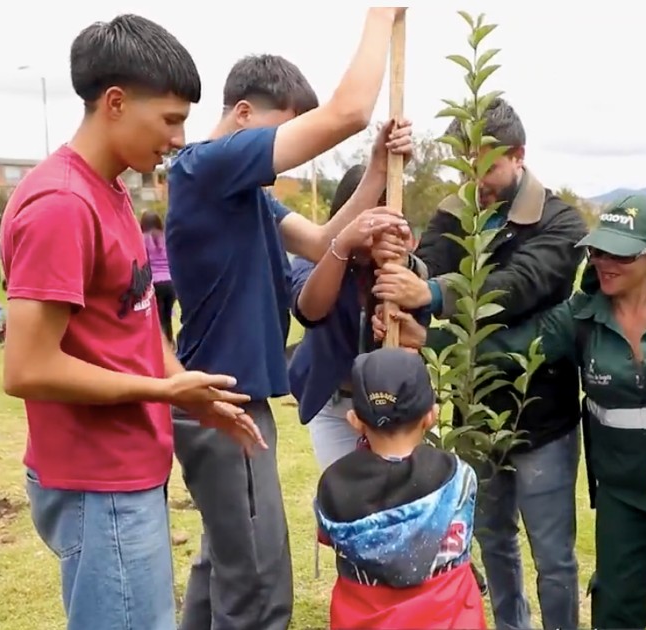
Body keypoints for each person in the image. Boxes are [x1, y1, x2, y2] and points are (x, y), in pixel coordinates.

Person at [0, 15, 263, 630]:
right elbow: (28, 366)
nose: (178, 138)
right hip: (98, 479)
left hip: (128, 468)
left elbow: (136, 322)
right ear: (115, 103)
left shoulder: (111, 190)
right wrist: (164, 391)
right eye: (170, 119)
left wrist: (190, 393)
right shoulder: (62, 204)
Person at [163, 10, 411, 629]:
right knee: (260, 586)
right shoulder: (205, 167)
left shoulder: (244, 193)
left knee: (223, 565)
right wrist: (382, 16)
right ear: (244, 115)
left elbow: (323, 237)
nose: (293, 151)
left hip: (228, 400)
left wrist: (376, 169)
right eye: (286, 131)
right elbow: (348, 113)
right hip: (224, 404)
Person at [386, 195, 646, 629]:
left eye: (619, 253)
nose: (603, 261)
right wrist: (427, 342)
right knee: (616, 609)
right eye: (597, 250)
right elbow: (510, 349)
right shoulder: (581, 315)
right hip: (623, 491)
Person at [372, 96, 589, 630]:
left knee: (554, 558)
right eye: (464, 164)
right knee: (493, 542)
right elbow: (436, 265)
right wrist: (407, 265)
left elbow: (517, 287)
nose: (475, 179)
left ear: (518, 155)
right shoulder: (455, 211)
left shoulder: (560, 223)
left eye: (486, 165)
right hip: (474, 417)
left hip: (543, 420)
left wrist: (429, 292)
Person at [316, 348, 486, 629]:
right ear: (431, 415)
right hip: (450, 619)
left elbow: (326, 535)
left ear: (355, 420)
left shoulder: (334, 484)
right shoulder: (459, 476)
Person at [289, 163, 424, 470]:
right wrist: (343, 246)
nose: (374, 230)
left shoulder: (405, 269)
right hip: (335, 401)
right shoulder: (313, 260)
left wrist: (399, 268)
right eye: (366, 218)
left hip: (393, 402)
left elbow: (420, 324)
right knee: (346, 495)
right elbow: (310, 310)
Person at [140, 210, 175, 340]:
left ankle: (160, 347)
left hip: (155, 284)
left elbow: (142, 262)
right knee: (168, 317)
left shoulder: (142, 239)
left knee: (157, 319)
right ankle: (171, 344)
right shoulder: (166, 238)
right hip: (170, 282)